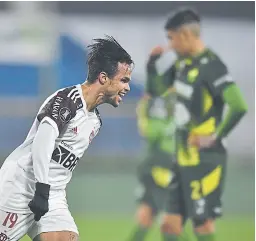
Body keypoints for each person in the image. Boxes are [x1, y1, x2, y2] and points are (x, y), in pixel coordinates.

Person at [0, 35, 134, 241]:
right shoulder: (66, 101)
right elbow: (42, 143)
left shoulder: (95, 122)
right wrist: (42, 188)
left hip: (52, 197)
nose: (127, 88)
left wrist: (47, 192)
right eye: (123, 80)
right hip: (20, 187)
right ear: (104, 78)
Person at [146, 9, 248, 241]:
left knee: (202, 226)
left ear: (184, 35)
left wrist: (216, 137)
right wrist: (152, 64)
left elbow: (239, 105)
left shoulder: (212, 66)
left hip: (205, 160)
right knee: (170, 227)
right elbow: (156, 90)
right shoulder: (183, 64)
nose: (170, 45)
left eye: (171, 38)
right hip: (181, 157)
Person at [127, 46, 176, 241]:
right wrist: (153, 61)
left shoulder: (171, 102)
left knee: (153, 219)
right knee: (160, 219)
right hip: (157, 164)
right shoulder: (160, 100)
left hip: (161, 164)